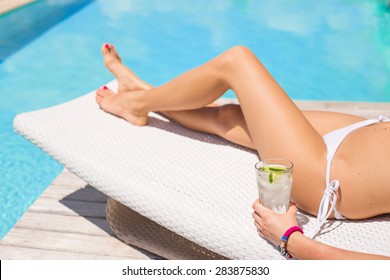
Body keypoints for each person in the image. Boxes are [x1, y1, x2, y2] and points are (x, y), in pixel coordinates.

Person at [96, 43, 390, 259]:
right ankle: (141, 91)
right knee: (230, 116)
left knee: (236, 61)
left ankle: (135, 104)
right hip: (361, 133)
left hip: (324, 173)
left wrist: (291, 240)